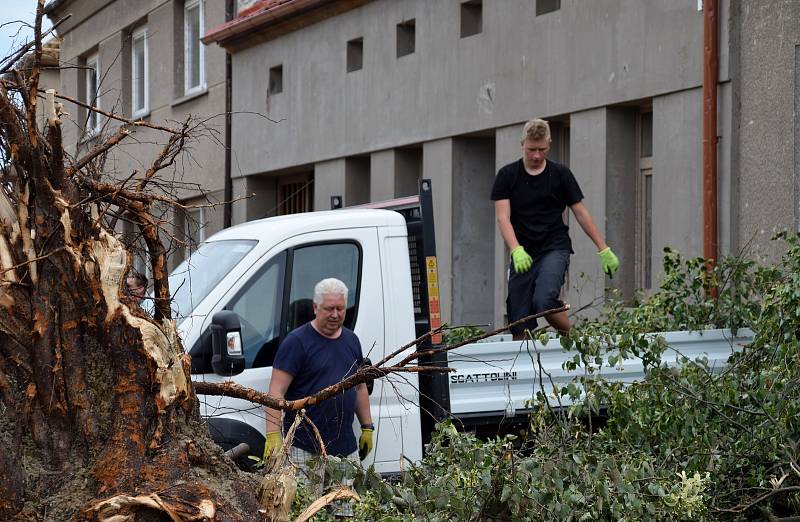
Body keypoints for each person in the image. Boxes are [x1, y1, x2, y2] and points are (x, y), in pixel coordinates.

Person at [491, 118, 619, 338]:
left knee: (545, 301)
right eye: (531, 149)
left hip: (554, 247)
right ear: (522, 143)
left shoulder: (561, 174)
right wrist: (515, 249)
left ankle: (577, 344)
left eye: (541, 149)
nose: (536, 155)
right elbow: (503, 218)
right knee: (519, 320)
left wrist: (603, 248)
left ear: (549, 144)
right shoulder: (507, 175)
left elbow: (580, 212)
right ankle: (526, 366)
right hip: (523, 253)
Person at [263, 278, 373, 518]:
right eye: (329, 308)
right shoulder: (297, 342)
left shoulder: (352, 341)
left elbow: (361, 388)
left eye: (340, 309)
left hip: (345, 449)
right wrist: (273, 436)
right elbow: (275, 393)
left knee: (347, 513)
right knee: (307, 513)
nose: (335, 314)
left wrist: (367, 427)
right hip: (304, 448)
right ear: (315, 308)